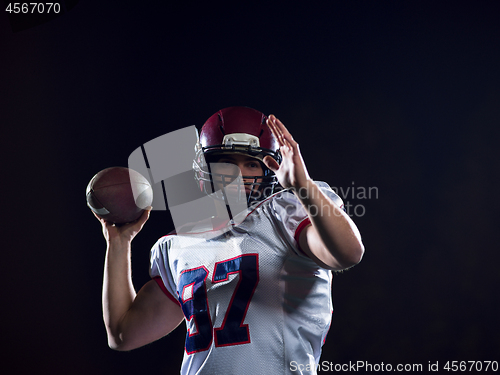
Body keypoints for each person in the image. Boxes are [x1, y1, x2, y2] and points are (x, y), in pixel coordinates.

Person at [94, 106, 364, 374]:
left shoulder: (287, 213)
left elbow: (348, 253)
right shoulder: (178, 245)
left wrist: (304, 187)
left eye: (251, 163)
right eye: (226, 162)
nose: (239, 175)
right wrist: (118, 243)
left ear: (270, 169)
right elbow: (122, 334)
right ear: (203, 167)